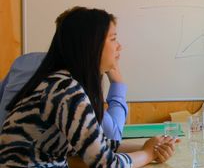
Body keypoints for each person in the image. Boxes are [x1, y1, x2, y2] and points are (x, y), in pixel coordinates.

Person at [0, 6, 177, 168]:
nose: (119, 46)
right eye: (113, 39)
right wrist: (149, 154)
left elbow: (95, 144)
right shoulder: (65, 90)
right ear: (91, 44)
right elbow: (106, 165)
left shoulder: (59, 82)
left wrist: (149, 147)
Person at [0, 52, 128, 140]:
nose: (119, 46)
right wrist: (118, 83)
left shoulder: (25, 61)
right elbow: (112, 136)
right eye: (112, 39)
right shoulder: (71, 83)